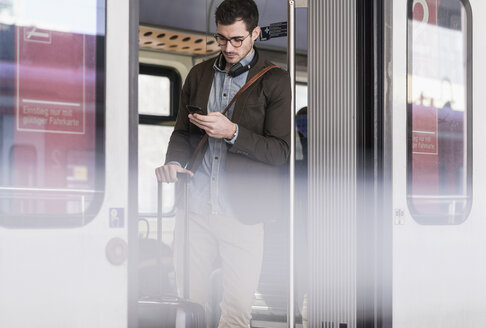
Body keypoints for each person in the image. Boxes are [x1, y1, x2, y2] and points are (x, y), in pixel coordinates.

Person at [155, 0, 291, 326]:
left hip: (242, 213)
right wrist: (173, 162)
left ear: (255, 33)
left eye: (237, 40)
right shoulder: (199, 74)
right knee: (189, 308)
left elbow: (281, 152)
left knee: (236, 312)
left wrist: (232, 132)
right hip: (195, 207)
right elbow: (183, 134)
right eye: (221, 39)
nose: (228, 47)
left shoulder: (275, 80)